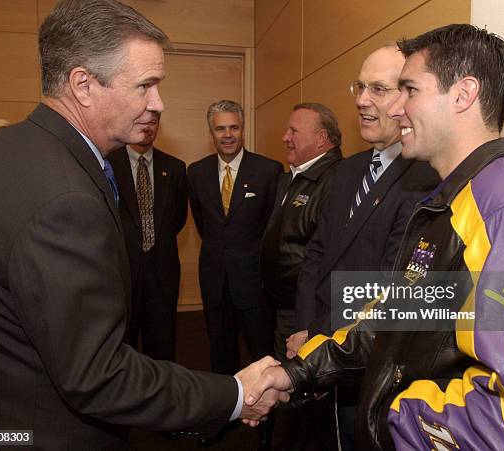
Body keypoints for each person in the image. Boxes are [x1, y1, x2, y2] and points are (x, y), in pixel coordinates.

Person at [248, 24, 504, 450]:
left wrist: (393, 416)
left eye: (410, 90)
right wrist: (295, 372)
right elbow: (400, 317)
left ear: (463, 94)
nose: (397, 108)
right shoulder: (455, 202)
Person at [0, 1, 285, 449]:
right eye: (146, 85)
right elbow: (97, 374)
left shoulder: (6, 147)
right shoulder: (66, 200)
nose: (159, 103)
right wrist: (234, 394)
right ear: (82, 85)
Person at [286, 46, 438, 450]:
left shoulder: (425, 178)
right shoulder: (348, 169)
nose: (360, 100)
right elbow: (316, 253)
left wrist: (326, 347)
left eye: (378, 89)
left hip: (363, 358)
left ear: (406, 98)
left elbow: (391, 288)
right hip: (318, 341)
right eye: (359, 86)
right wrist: (305, 327)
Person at [187, 99, 283, 447]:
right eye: (220, 128)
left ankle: (267, 425)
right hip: (214, 280)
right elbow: (204, 224)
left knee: (262, 356)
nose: (228, 135)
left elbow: (273, 231)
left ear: (242, 129)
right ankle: (223, 420)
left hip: (254, 284)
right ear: (210, 132)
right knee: (220, 355)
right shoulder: (195, 173)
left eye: (234, 127)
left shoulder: (269, 171)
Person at [261, 102, 343, 450]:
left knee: (298, 395)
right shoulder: (292, 177)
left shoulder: (334, 181)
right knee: (287, 390)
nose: (285, 137)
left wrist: (309, 320)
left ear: (322, 138)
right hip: (284, 307)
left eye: (294, 131)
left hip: (303, 314)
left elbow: (327, 258)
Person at [108, 113, 186, 362]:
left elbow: (178, 219)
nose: (148, 126)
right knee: (121, 350)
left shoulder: (174, 167)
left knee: (162, 349)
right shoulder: (107, 164)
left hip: (162, 273)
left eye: (153, 122)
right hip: (122, 274)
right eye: (141, 120)